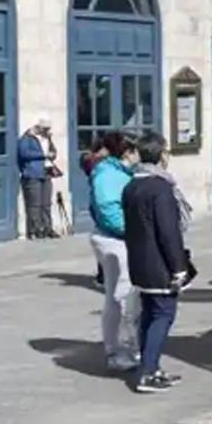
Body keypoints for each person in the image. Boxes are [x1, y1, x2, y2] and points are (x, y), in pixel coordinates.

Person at [122, 132, 186, 394]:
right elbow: (168, 232)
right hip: (159, 262)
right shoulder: (160, 188)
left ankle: (151, 366)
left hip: (138, 260)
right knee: (163, 314)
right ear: (161, 155)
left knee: (149, 313)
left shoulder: (131, 186)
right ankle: (148, 372)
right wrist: (178, 266)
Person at [90, 132, 141, 372]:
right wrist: (134, 231)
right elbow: (110, 211)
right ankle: (118, 349)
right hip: (115, 240)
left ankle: (125, 346)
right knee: (121, 295)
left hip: (119, 238)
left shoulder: (117, 173)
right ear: (127, 152)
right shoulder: (109, 175)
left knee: (122, 294)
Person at [17, 118, 58, 238]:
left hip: (46, 172)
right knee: (34, 204)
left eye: (48, 129)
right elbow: (24, 153)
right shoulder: (26, 138)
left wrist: (52, 151)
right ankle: (34, 230)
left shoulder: (47, 138)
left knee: (46, 203)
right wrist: (43, 155)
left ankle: (47, 228)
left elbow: (53, 152)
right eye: (44, 129)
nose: (47, 131)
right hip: (32, 173)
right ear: (38, 127)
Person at [82, 135, 110, 287]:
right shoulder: (94, 162)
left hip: (100, 203)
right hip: (102, 204)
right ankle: (103, 275)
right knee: (106, 236)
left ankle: (104, 274)